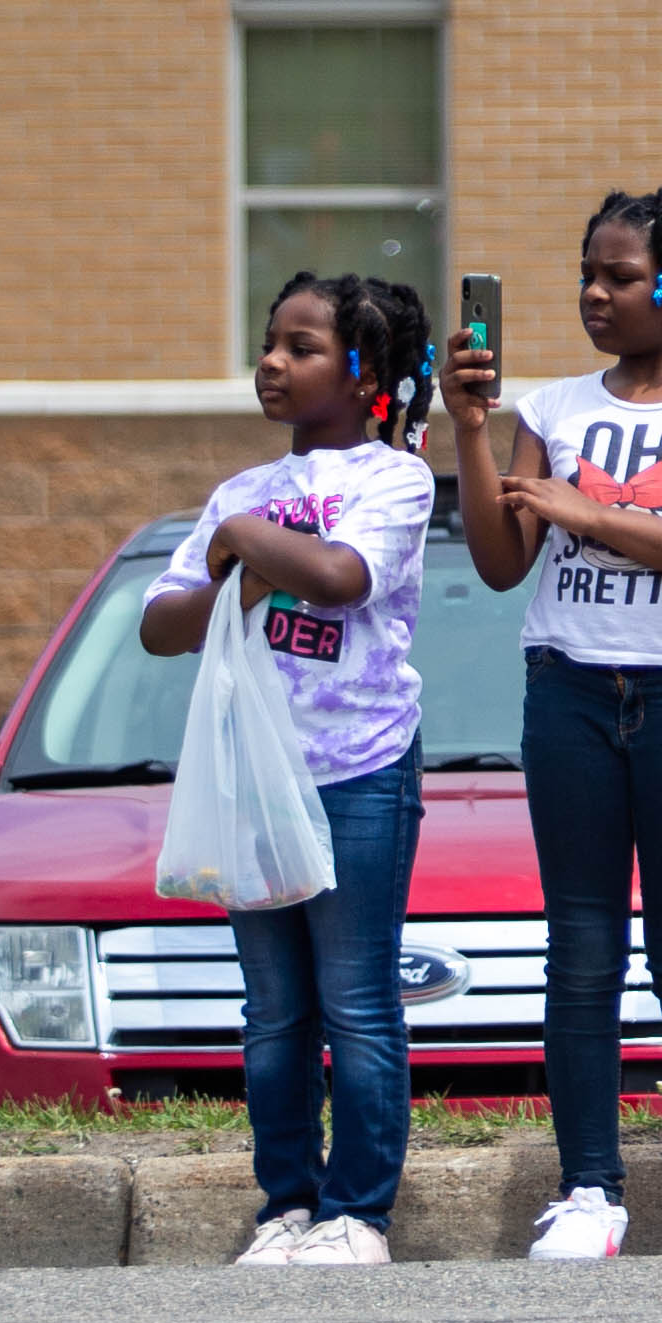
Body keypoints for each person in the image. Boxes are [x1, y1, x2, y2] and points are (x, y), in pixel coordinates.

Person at [445, 189, 662, 1264]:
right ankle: (589, 1191)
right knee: (583, 948)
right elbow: (504, 563)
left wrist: (595, 514)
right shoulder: (547, 409)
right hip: (569, 695)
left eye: (622, 277)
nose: (596, 295)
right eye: (587, 275)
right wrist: (469, 432)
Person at [144, 271, 437, 1266]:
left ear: (363, 375)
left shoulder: (393, 481)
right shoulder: (240, 497)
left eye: (300, 348)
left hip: (360, 770)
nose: (271, 361)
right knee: (273, 1016)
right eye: (270, 342)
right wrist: (233, 550)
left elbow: (343, 578)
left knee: (356, 1003)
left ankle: (359, 1214)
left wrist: (245, 549)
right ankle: (287, 1206)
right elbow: (163, 625)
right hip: (257, 780)